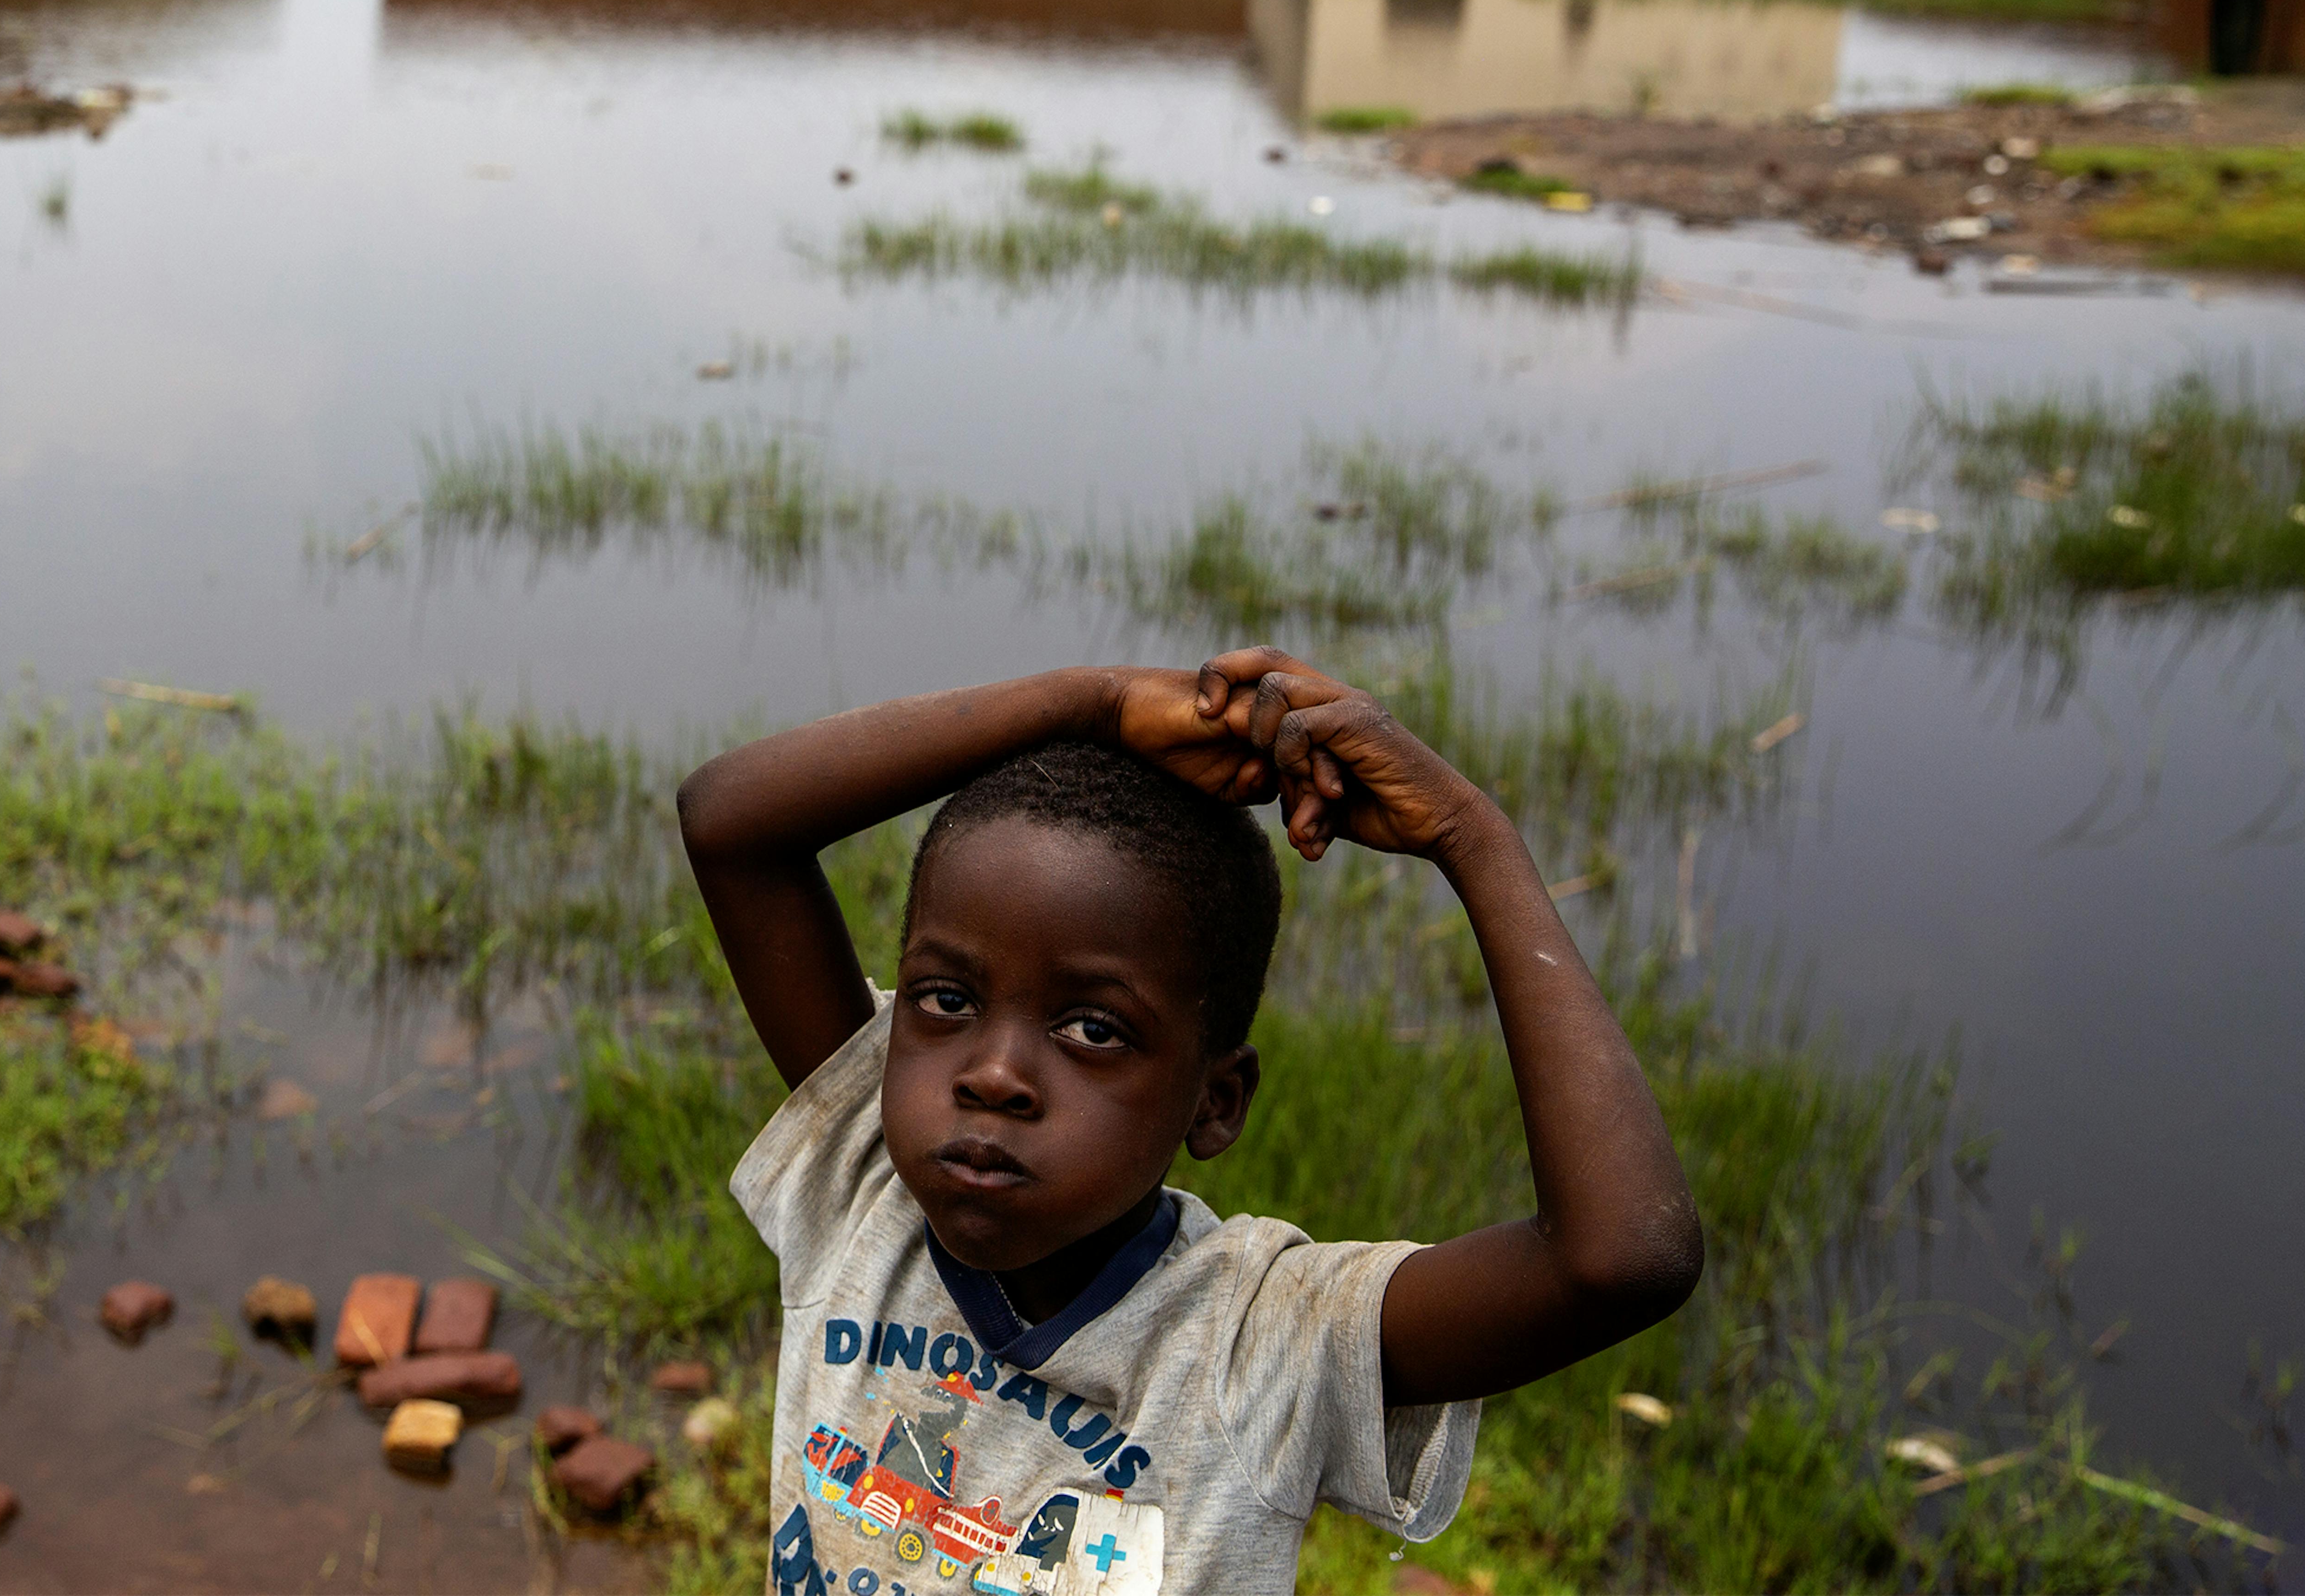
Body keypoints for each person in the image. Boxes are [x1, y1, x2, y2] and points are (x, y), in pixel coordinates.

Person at [681, 650, 1700, 1595]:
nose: (991, 1074)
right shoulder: (863, 1185)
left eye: (1092, 1027)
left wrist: (1470, 837)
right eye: (944, 1000)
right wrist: (1094, 705)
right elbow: (729, 824)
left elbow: (1622, 1258)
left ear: (1215, 1101)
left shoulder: (1261, 1341)